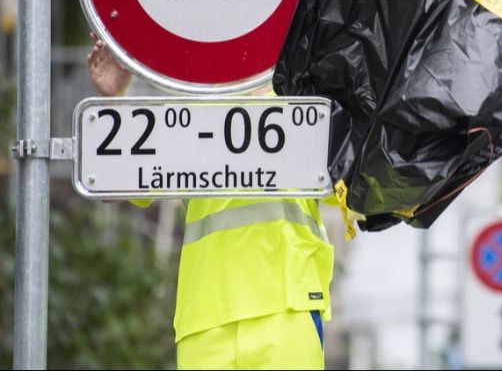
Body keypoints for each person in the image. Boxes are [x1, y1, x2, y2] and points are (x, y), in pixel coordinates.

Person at [87, 33, 334, 370]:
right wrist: (114, 98)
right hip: (206, 318)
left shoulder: (303, 101)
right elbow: (113, 187)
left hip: (285, 309)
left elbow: (351, 186)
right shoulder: (192, 107)